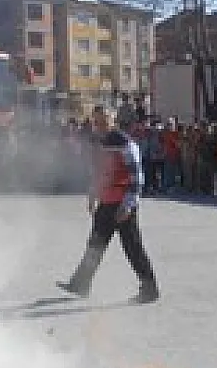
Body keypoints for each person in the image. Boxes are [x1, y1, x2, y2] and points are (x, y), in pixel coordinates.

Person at [57, 106, 159, 303]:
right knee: (95, 243)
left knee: (132, 247)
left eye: (104, 121)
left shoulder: (125, 143)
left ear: (113, 121)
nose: (99, 126)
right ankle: (81, 284)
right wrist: (93, 193)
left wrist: (128, 205)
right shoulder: (98, 142)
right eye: (96, 122)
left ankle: (149, 288)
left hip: (122, 204)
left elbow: (136, 177)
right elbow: (99, 171)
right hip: (106, 201)